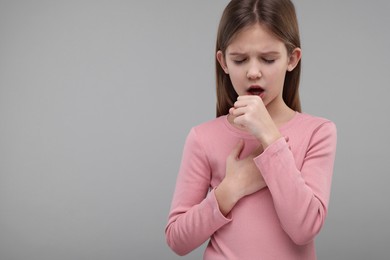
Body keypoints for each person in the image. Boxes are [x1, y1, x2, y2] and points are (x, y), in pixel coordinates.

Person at [165, 0, 337, 259]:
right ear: (223, 62)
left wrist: (271, 139)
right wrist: (232, 187)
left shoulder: (318, 132)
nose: (253, 72)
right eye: (240, 59)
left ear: (292, 59)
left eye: (268, 59)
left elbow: (304, 229)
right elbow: (177, 240)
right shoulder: (202, 137)